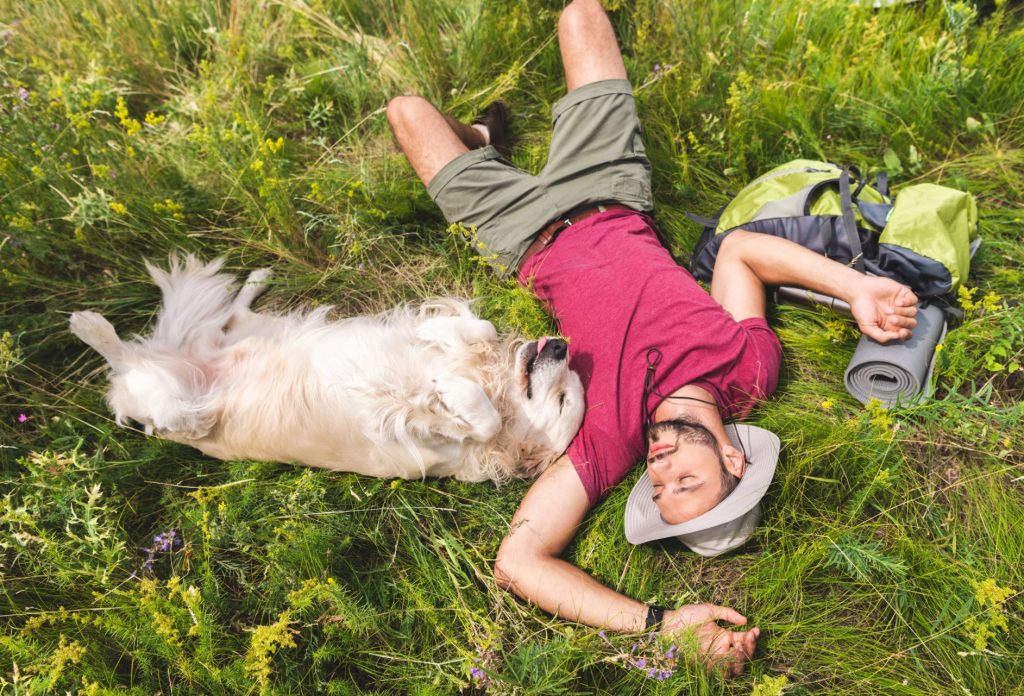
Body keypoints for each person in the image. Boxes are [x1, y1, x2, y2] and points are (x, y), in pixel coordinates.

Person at [386, 0, 918, 675]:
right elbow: (743, 254)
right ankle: (486, 144)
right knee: (581, 15)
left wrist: (663, 626)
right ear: (734, 460)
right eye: (685, 480)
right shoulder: (750, 372)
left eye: (658, 488)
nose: (660, 470)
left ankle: (482, 149)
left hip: (523, 233)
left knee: (407, 112)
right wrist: (857, 289)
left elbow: (519, 561)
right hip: (608, 189)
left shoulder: (612, 437)